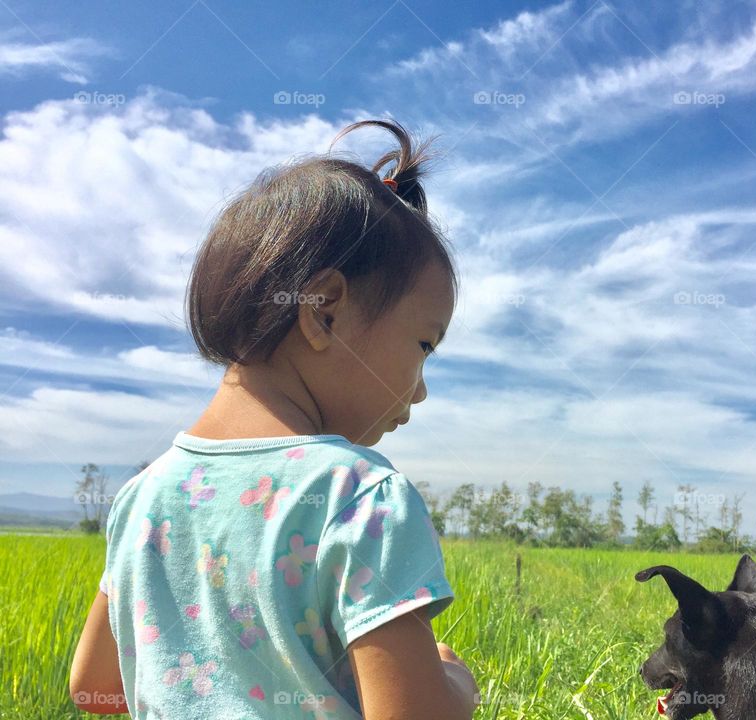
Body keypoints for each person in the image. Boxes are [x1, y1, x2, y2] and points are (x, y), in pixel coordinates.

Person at [69, 119, 479, 719]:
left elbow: (95, 687)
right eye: (423, 345)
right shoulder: (359, 496)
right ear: (325, 312)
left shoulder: (143, 497)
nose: (418, 392)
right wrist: (453, 684)